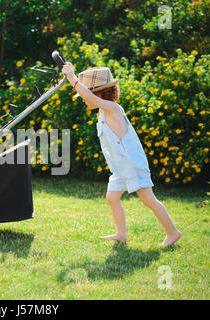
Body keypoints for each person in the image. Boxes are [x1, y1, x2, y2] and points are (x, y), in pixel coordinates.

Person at [61, 62, 181, 246]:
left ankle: (172, 232)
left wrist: (72, 78)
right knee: (112, 197)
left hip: (132, 164)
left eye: (86, 96)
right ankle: (121, 234)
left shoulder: (113, 109)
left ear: (99, 94)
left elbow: (89, 97)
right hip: (120, 167)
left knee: (148, 199)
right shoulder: (102, 111)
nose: (84, 99)